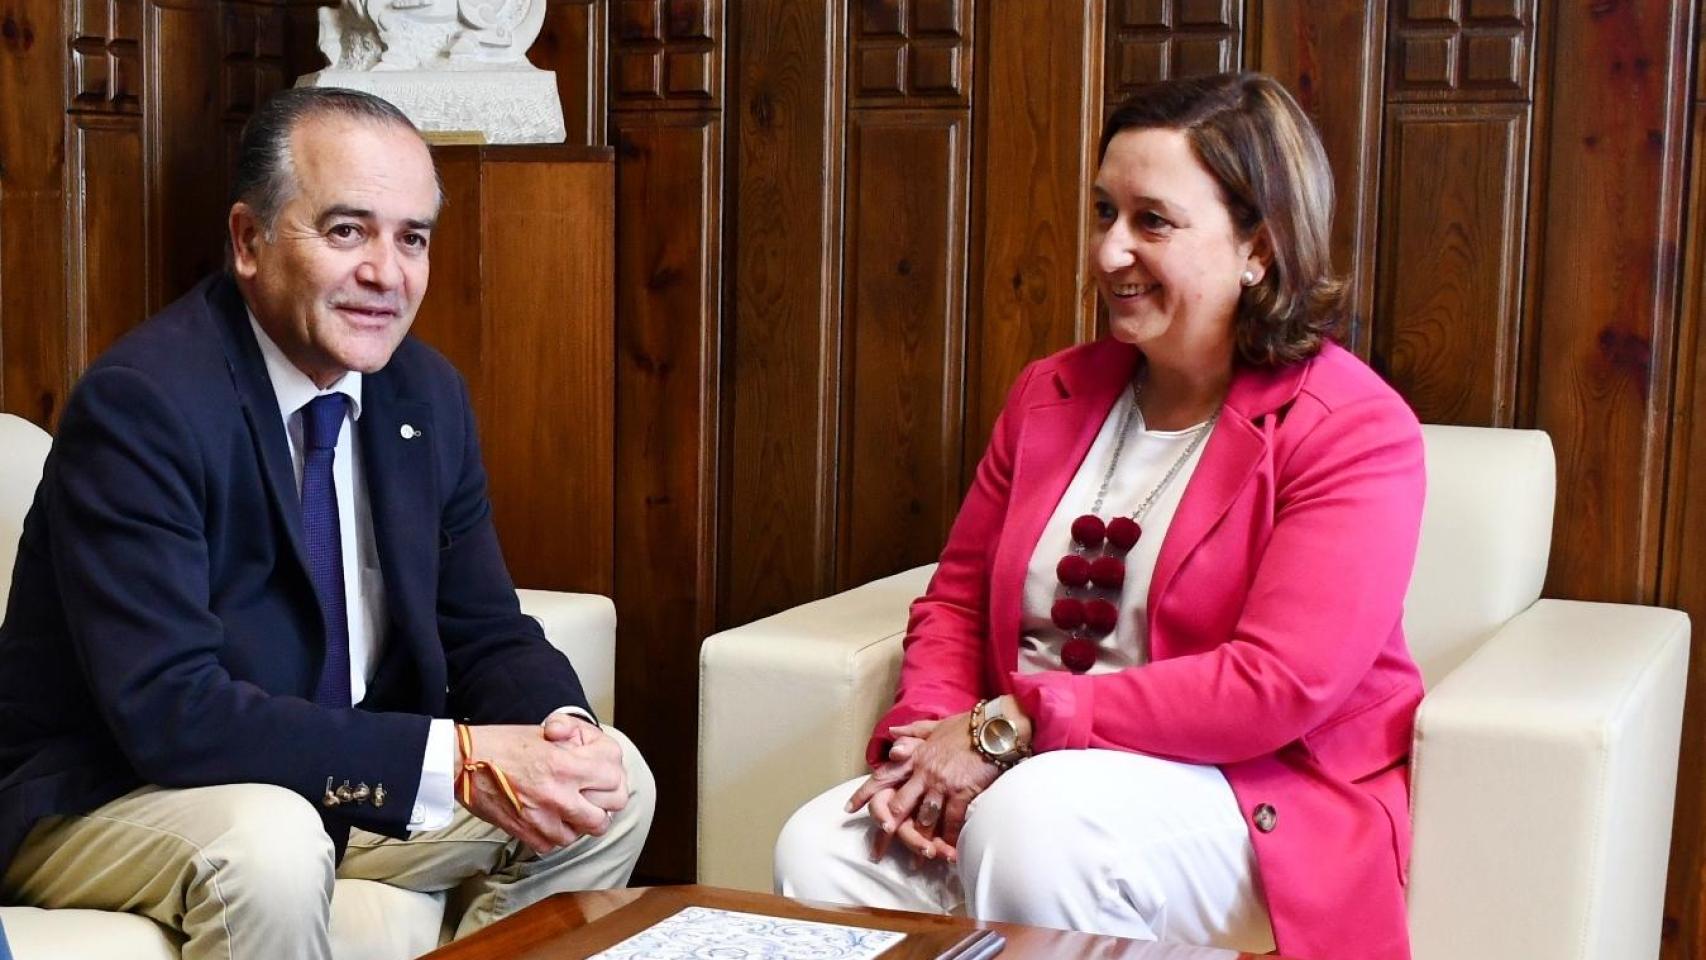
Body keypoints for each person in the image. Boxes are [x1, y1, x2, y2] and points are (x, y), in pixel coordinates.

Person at [774, 72, 1425, 960]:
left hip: (1245, 790)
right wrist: (922, 744)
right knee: (824, 849)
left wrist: (1010, 727)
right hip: (1024, 774)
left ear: (1258, 249)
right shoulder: (1053, 392)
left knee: (1037, 826)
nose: (1110, 250)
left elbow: (1277, 685)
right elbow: (959, 600)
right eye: (1103, 211)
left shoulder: (1352, 427)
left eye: (1151, 220)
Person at [0, 87, 653, 959]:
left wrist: (560, 730)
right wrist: (456, 759)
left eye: (412, 238)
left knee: (614, 787)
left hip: (325, 782)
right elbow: (172, 714)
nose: (387, 273)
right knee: (271, 844)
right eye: (348, 231)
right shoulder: (143, 407)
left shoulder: (425, 395)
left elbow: (486, 631)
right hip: (113, 788)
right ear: (248, 240)